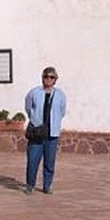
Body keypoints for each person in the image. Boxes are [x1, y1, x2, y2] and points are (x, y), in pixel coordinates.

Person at [24, 66, 66, 195]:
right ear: (42, 78)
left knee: (49, 162)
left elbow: (62, 110)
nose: (48, 79)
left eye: (51, 77)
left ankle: (47, 185)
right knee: (33, 160)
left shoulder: (60, 94)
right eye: (46, 76)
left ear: (55, 79)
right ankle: (30, 184)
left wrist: (55, 122)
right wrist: (35, 120)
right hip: (37, 132)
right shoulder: (34, 92)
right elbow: (28, 107)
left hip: (52, 133)